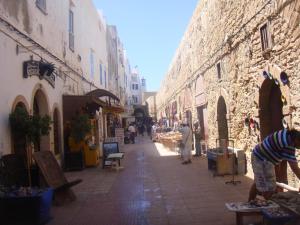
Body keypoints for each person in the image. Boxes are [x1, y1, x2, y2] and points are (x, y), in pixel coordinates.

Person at [248, 128, 300, 201]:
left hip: (266, 159)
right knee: (265, 186)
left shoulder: (287, 133)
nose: (299, 147)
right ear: (296, 140)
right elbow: (294, 167)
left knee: (265, 184)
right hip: (260, 158)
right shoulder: (288, 145)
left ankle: (252, 202)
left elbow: (276, 149)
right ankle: (267, 206)